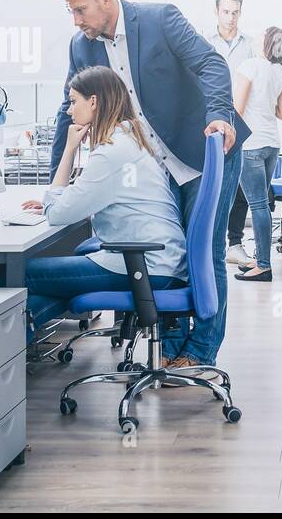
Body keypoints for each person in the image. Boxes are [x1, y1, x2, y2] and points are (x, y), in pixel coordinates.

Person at [53, 0, 251, 370]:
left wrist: (220, 115)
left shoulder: (160, 19)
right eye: (71, 12)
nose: (76, 21)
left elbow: (211, 65)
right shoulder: (82, 46)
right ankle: (171, 346)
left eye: (80, 9)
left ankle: (199, 351)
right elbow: (67, 110)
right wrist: (57, 175)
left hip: (204, 152)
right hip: (156, 168)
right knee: (170, 254)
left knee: (206, 250)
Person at [21, 67, 187, 346]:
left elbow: (58, 214)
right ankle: (20, 342)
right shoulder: (132, 139)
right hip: (161, 263)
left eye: (74, 101)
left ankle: (10, 348)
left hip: (145, 267)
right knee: (55, 277)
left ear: (94, 102)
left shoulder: (113, 152)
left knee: (22, 272)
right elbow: (86, 196)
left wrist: (69, 149)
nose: (69, 111)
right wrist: (58, 199)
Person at [232, 27, 282, 283]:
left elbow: (238, 109)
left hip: (251, 145)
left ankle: (264, 266)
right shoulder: (280, 72)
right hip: (271, 144)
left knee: (257, 206)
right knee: (261, 205)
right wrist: (265, 102)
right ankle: (260, 258)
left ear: (265, 42)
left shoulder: (250, 65)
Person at [209, 0, 256, 266]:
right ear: (217, 11)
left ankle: (235, 242)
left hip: (242, 121)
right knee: (211, 181)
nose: (230, 17)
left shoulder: (250, 46)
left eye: (235, 12)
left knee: (240, 185)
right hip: (213, 120)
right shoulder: (205, 42)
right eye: (226, 12)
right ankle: (211, 239)